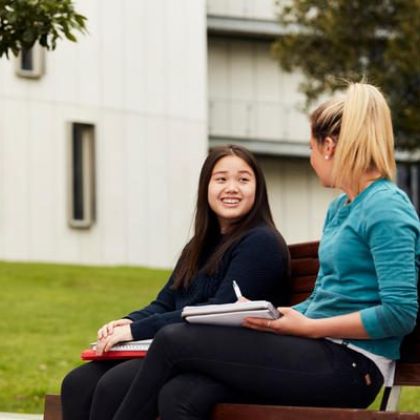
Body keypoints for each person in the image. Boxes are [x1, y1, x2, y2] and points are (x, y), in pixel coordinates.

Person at [110, 82, 420, 420]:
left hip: (353, 366)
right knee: (181, 393)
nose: (312, 160)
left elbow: (400, 313)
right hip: (315, 351)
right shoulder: (341, 209)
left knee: (173, 340)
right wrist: (272, 315)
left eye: (312, 148)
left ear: (328, 146)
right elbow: (328, 297)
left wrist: (309, 328)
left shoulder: (387, 208)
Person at [61, 145, 290, 420]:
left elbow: (218, 312)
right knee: (77, 383)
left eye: (243, 179)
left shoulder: (261, 242)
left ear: (258, 189)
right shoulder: (198, 246)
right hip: (180, 351)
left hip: (224, 358)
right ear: (206, 187)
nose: (232, 188)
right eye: (221, 179)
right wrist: (128, 322)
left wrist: (136, 332)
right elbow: (165, 303)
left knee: (115, 385)